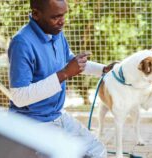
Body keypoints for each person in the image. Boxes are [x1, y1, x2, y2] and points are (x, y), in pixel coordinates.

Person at [8, 0, 113, 157]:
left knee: (97, 152)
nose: (62, 21)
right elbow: (19, 97)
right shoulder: (21, 43)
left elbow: (70, 63)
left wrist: (103, 70)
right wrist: (64, 74)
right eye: (56, 17)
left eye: (64, 15)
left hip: (57, 115)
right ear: (36, 14)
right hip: (31, 122)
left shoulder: (56, 33)